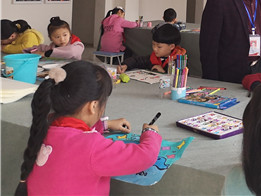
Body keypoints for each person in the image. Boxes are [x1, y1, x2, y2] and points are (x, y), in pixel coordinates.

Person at [16, 61, 161, 196]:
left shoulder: (43, 126)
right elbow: (145, 156)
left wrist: (105, 124)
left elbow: (75, 132)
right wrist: (151, 132)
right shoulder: (93, 148)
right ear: (93, 106)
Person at [117, 24, 186, 73]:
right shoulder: (153, 57)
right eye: (153, 44)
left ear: (171, 46)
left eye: (159, 47)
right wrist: (126, 65)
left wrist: (164, 72)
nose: (154, 49)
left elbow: (182, 77)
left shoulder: (179, 61)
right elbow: (137, 60)